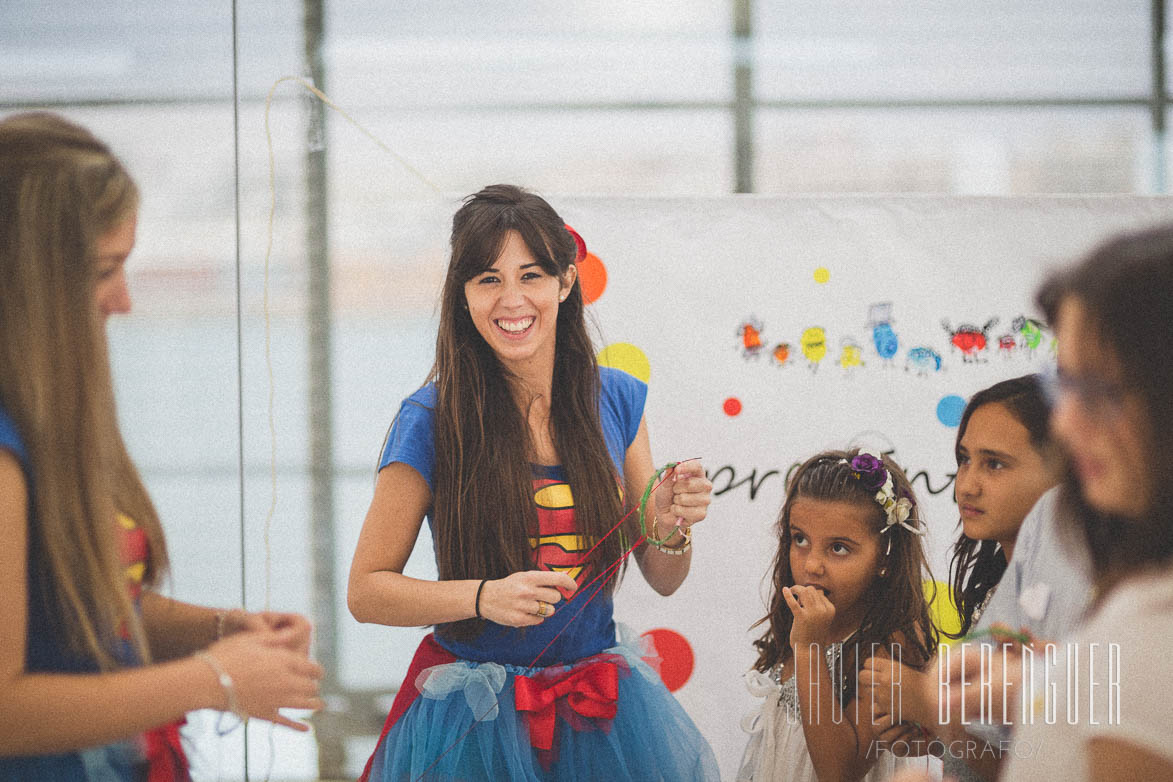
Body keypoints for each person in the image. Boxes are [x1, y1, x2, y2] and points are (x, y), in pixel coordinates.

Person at [348, 184, 719, 781]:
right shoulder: (430, 419)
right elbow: (366, 592)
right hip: (472, 718)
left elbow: (663, 575)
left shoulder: (618, 398)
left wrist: (672, 527)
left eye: (532, 275)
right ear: (462, 295)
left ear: (566, 283)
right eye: (488, 279)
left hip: (598, 710)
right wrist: (482, 597)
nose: (512, 299)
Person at [0, 112, 324, 782]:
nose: (123, 300)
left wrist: (222, 632)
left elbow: (82, 610)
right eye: (103, 270)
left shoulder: (42, 419)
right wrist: (211, 679)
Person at [860, 375, 1066, 781]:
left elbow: (1050, 764)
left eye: (994, 463)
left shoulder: (1074, 595)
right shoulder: (1000, 587)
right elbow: (1000, 745)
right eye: (963, 459)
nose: (967, 485)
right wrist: (937, 736)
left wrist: (928, 705)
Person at [737, 448, 939, 782]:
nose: (811, 564)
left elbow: (839, 772)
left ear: (885, 558)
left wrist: (808, 649)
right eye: (800, 539)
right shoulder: (802, 617)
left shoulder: (888, 643)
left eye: (839, 548)